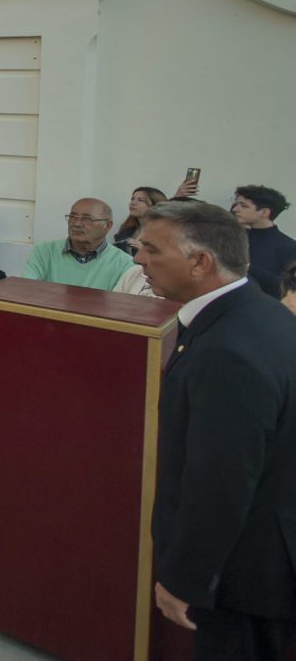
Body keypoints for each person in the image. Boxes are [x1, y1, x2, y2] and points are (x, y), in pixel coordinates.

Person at [133, 200, 296, 659]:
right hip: (259, 564)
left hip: (241, 575)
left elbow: (220, 481)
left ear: (199, 261)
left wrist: (186, 578)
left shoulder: (228, 349)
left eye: (151, 249)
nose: (139, 259)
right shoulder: (261, 314)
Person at [21, 198, 133, 290]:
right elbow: (27, 291)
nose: (77, 223)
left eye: (87, 219)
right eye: (73, 217)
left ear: (107, 226)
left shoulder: (125, 264)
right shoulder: (44, 251)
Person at [230, 185, 296, 298]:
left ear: (265, 212)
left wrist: (247, 267)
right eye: (236, 204)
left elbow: (288, 288)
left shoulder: (288, 246)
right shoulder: (233, 237)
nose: (235, 209)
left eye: (244, 206)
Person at [113, 186, 168, 255]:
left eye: (141, 200)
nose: (133, 203)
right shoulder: (126, 230)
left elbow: (171, 259)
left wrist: (146, 250)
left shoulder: (166, 232)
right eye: (132, 199)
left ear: (155, 205)